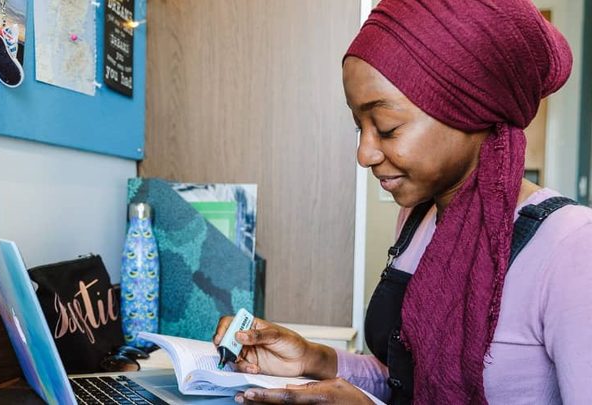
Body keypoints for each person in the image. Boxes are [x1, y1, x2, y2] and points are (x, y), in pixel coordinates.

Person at [213, 0, 592, 404]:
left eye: (388, 128)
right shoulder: (417, 219)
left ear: (472, 110)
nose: (364, 154)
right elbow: (409, 381)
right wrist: (314, 358)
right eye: (359, 127)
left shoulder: (572, 248)